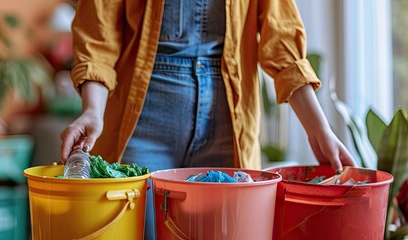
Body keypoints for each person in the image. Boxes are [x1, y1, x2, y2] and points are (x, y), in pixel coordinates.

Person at [60, 0, 356, 239]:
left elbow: (281, 38)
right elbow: (99, 32)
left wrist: (318, 127)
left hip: (229, 125)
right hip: (142, 123)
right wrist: (93, 111)